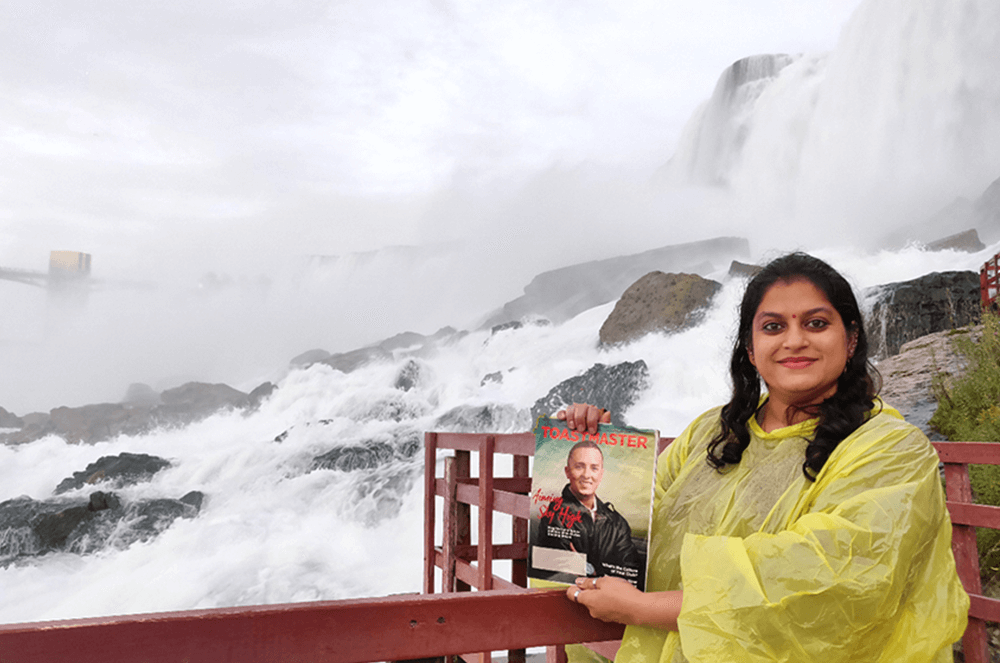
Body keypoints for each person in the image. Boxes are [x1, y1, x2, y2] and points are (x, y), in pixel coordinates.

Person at [556, 252, 969, 663]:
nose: (794, 340)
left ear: (852, 339)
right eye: (773, 327)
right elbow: (632, 534)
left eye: (817, 323)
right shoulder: (710, 434)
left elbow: (832, 582)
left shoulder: (892, 449)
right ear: (751, 349)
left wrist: (642, 609)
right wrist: (602, 449)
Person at [535, 440, 642, 584]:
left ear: (601, 474)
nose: (587, 475)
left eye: (594, 468)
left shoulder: (617, 522)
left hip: (612, 600)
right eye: (579, 467)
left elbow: (630, 569)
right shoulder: (555, 514)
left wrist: (588, 568)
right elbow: (551, 564)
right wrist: (595, 571)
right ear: (567, 472)